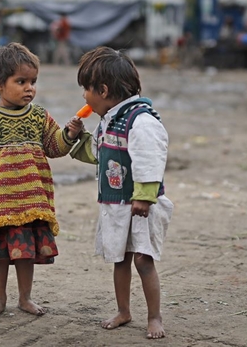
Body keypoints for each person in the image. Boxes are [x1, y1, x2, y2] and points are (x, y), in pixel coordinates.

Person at [0, 42, 82, 318]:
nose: (29, 88)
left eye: (33, 81)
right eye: (20, 81)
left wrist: (69, 134)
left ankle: (25, 298)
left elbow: (54, 147)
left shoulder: (39, 116)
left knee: (25, 254)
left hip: (30, 202)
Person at [65, 46, 174, 339]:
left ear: (102, 90)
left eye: (86, 90)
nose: (84, 97)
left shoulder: (141, 120)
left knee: (142, 259)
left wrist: (144, 196)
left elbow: (150, 158)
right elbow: (99, 154)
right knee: (120, 258)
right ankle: (124, 310)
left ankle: (154, 316)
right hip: (116, 204)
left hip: (141, 205)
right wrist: (78, 137)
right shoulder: (108, 121)